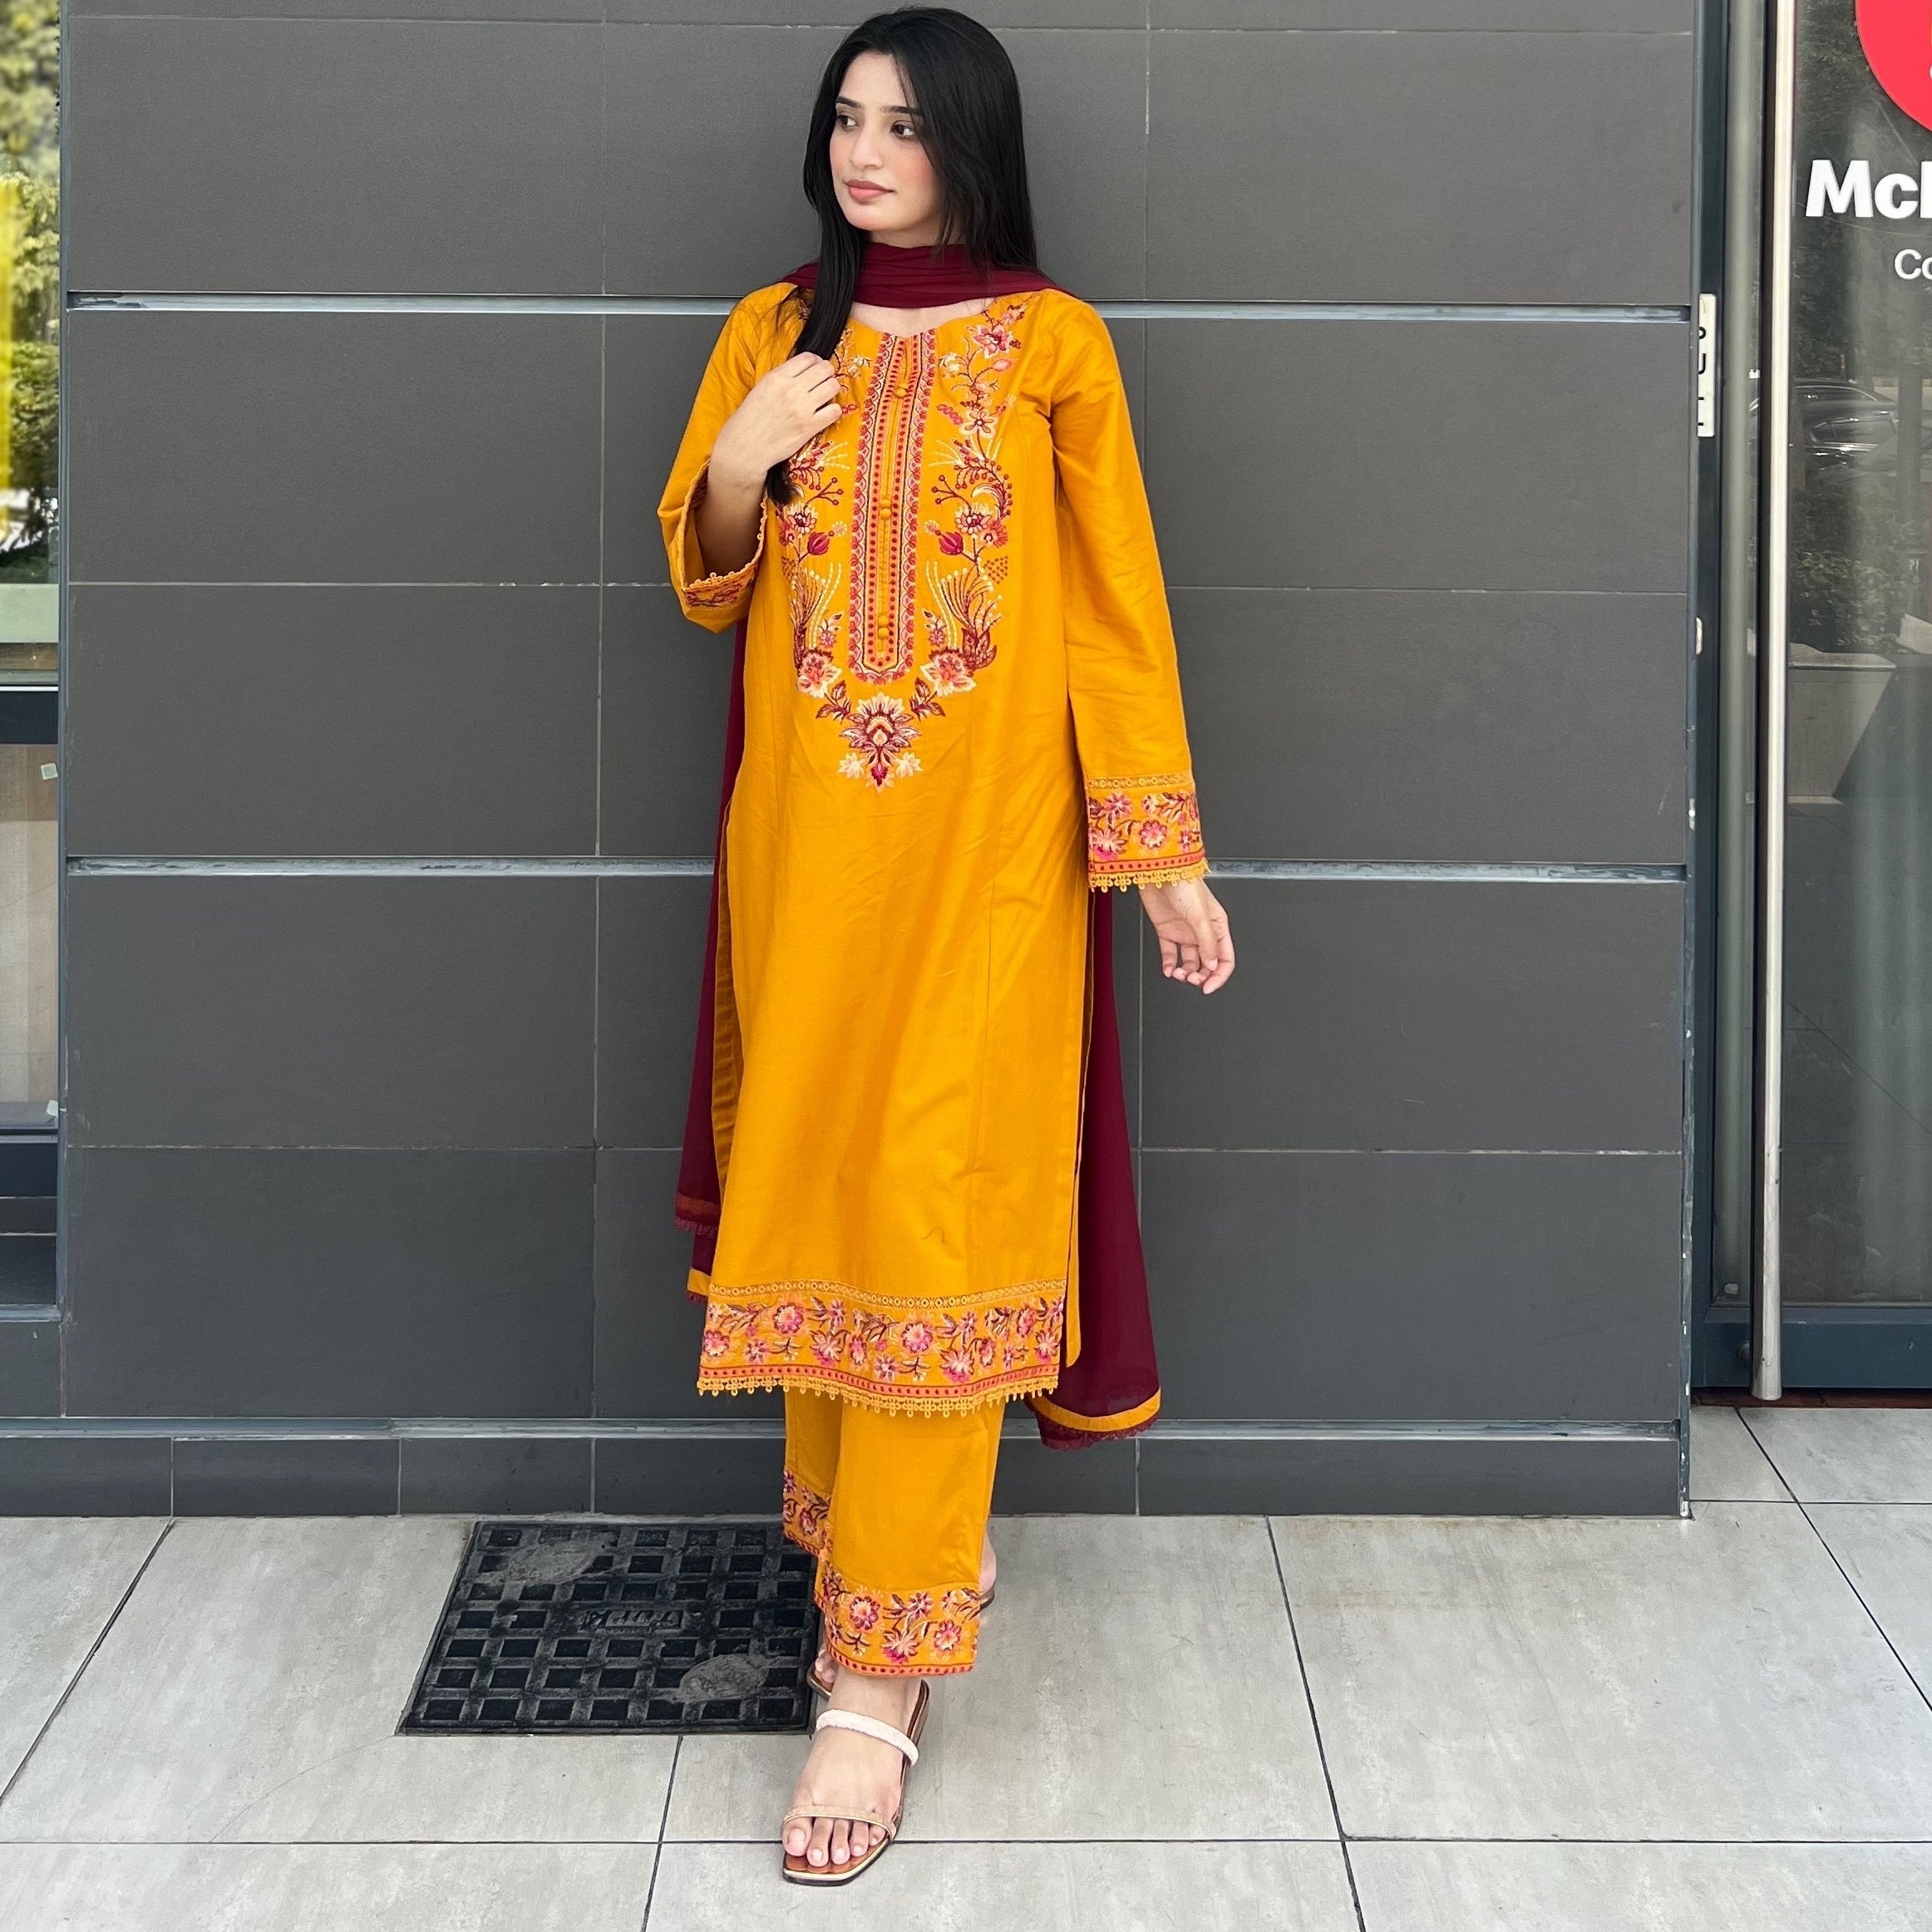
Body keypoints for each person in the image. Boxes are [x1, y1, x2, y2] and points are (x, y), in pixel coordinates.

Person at [658, 4, 1234, 1886]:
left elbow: (1114, 611)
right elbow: (705, 574)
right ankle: (883, 1551)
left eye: (904, 125)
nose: (865, 152)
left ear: (972, 140)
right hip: (808, 866)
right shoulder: (773, 329)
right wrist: (742, 451)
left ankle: (877, 1682)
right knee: (832, 1188)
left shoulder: (1053, 344)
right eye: (846, 118)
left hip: (990, 871)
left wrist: (1162, 857)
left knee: (936, 1212)